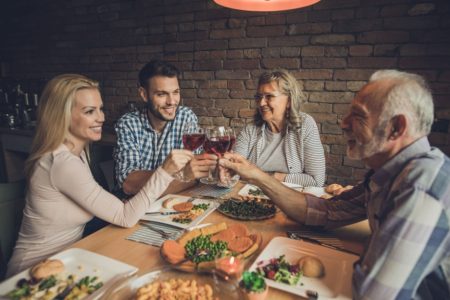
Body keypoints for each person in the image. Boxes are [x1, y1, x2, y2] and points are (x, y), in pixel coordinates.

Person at [220, 70, 450, 299]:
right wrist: (256, 175)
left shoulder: (421, 189)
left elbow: (371, 295)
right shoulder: (388, 174)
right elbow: (326, 212)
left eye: (358, 115)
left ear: (396, 127)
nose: (344, 123)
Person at [6, 74, 204, 277]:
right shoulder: (61, 163)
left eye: (100, 109)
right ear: (62, 116)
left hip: (70, 259)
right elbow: (125, 216)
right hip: (32, 274)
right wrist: (165, 171)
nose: (100, 117)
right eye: (89, 111)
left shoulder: (78, 152)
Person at [114, 59, 216, 197]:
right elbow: (129, 184)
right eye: (162, 94)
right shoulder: (128, 123)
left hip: (174, 203)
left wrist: (188, 175)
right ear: (144, 94)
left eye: (175, 92)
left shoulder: (186, 117)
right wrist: (182, 175)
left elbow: (194, 174)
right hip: (135, 208)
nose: (172, 101)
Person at [234, 69, 325, 187]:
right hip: (250, 197)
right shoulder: (250, 130)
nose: (261, 103)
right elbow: (234, 171)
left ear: (289, 100)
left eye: (269, 96)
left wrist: (272, 177)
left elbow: (316, 181)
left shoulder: (305, 125)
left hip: (291, 200)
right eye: (259, 97)